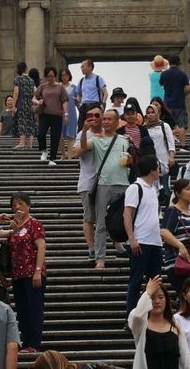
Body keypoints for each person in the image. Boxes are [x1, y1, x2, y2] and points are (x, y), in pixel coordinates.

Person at [72, 109, 129, 269]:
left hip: (122, 182)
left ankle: (124, 247)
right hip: (97, 183)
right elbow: (78, 149)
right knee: (97, 220)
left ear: (117, 122)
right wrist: (84, 129)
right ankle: (98, 256)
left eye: (105, 118)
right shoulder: (95, 138)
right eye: (100, 118)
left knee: (124, 218)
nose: (101, 120)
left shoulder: (124, 140)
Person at [1, 194, 46, 353]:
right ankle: (25, 340)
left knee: (34, 308)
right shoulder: (14, 227)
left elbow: (41, 246)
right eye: (14, 205)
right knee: (22, 309)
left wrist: (38, 271)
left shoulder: (35, 224)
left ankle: (34, 342)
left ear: (28, 206)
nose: (17, 207)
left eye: (21, 204)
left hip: (32, 272)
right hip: (17, 274)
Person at [125, 157, 166, 314]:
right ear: (152, 170)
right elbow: (127, 214)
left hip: (155, 241)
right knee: (136, 280)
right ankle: (131, 315)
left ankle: (153, 313)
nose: (159, 171)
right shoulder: (136, 188)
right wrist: (132, 239)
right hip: (140, 240)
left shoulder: (152, 188)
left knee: (155, 280)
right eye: (157, 168)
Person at [127, 276, 190, 369]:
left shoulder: (175, 325)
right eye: (152, 298)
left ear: (166, 299)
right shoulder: (141, 325)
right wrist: (148, 292)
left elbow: (186, 360)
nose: (157, 301)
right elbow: (137, 315)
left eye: (161, 297)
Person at [159, 179, 190, 283]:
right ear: (177, 193)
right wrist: (181, 246)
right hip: (178, 263)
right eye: (187, 189)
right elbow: (164, 232)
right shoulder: (173, 211)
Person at [72, 107, 102, 260]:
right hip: (88, 182)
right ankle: (91, 248)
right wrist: (84, 131)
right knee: (89, 216)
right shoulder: (83, 134)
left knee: (109, 215)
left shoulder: (109, 133)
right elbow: (75, 153)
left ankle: (117, 243)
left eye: (98, 115)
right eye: (91, 115)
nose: (94, 118)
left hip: (107, 182)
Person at [34, 68, 69, 165]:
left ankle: (52, 159)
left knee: (55, 137)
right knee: (41, 133)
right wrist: (38, 102)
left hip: (57, 115)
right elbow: (34, 97)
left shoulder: (60, 87)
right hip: (44, 114)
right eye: (49, 76)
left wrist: (66, 114)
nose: (51, 78)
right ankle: (44, 150)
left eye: (52, 76)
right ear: (46, 77)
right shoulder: (42, 86)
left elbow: (64, 101)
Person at [144, 103, 177, 189]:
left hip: (163, 161)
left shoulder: (164, 125)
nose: (150, 115)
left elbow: (170, 142)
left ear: (157, 113)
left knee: (164, 186)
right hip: (150, 161)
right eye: (148, 113)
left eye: (152, 112)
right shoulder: (144, 128)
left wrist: (171, 156)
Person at [157, 58, 189, 144]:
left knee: (167, 125)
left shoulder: (164, 74)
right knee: (181, 125)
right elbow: (187, 88)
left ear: (169, 63)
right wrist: (183, 95)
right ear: (178, 64)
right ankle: (183, 145)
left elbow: (161, 84)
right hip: (180, 103)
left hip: (167, 103)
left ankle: (168, 144)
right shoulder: (182, 74)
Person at [11, 63, 36, 150]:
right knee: (30, 122)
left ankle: (22, 143)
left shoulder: (18, 79)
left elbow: (16, 92)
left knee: (22, 122)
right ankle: (30, 144)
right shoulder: (31, 80)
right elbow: (35, 91)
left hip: (21, 103)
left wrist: (14, 105)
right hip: (30, 104)